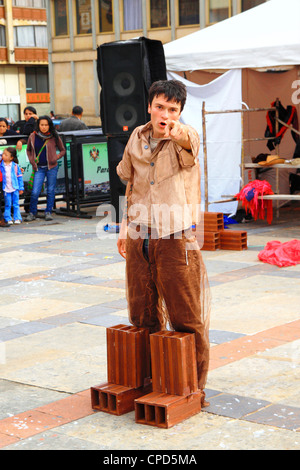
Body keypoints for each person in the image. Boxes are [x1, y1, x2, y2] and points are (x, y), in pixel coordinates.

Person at [116, 79, 211, 407]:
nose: (165, 114)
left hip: (175, 238)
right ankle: (149, 380)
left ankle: (194, 388)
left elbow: (189, 142)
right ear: (149, 106)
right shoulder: (136, 138)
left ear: (180, 112)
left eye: (173, 110)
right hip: (140, 236)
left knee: (186, 317)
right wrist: (124, 226)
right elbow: (131, 184)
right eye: (160, 107)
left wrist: (177, 131)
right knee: (141, 313)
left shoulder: (186, 137)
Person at [25, 115, 66, 221]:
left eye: (46, 125)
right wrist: (32, 160)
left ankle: (48, 212)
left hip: (52, 167)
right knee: (35, 192)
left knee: (50, 190)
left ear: (49, 126)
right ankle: (32, 213)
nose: (44, 127)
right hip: (38, 168)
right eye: (42, 125)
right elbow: (28, 150)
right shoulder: (32, 136)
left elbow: (63, 150)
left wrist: (56, 157)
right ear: (38, 125)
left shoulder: (54, 136)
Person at [0, 147, 24, 225]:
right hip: (6, 188)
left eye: (6, 155)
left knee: (16, 204)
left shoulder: (15, 166)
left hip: (15, 188)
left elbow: (19, 177)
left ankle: (17, 218)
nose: (3, 156)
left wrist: (21, 187)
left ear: (11, 158)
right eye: (3, 154)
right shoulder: (1, 165)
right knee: (8, 204)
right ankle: (8, 218)